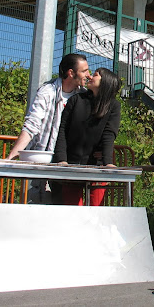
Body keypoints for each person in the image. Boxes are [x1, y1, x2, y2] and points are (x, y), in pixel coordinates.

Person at [7, 53, 90, 203]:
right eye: (84, 71)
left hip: (69, 160)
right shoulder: (48, 91)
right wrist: (13, 154)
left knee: (67, 206)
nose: (88, 75)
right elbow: (32, 124)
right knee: (42, 202)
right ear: (71, 73)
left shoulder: (84, 95)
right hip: (47, 156)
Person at [51, 67, 122, 206]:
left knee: (96, 209)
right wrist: (62, 160)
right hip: (72, 164)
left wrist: (107, 162)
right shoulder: (76, 100)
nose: (90, 77)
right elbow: (62, 131)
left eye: (95, 75)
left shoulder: (113, 106)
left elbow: (109, 134)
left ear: (105, 82)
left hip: (96, 165)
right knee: (72, 209)